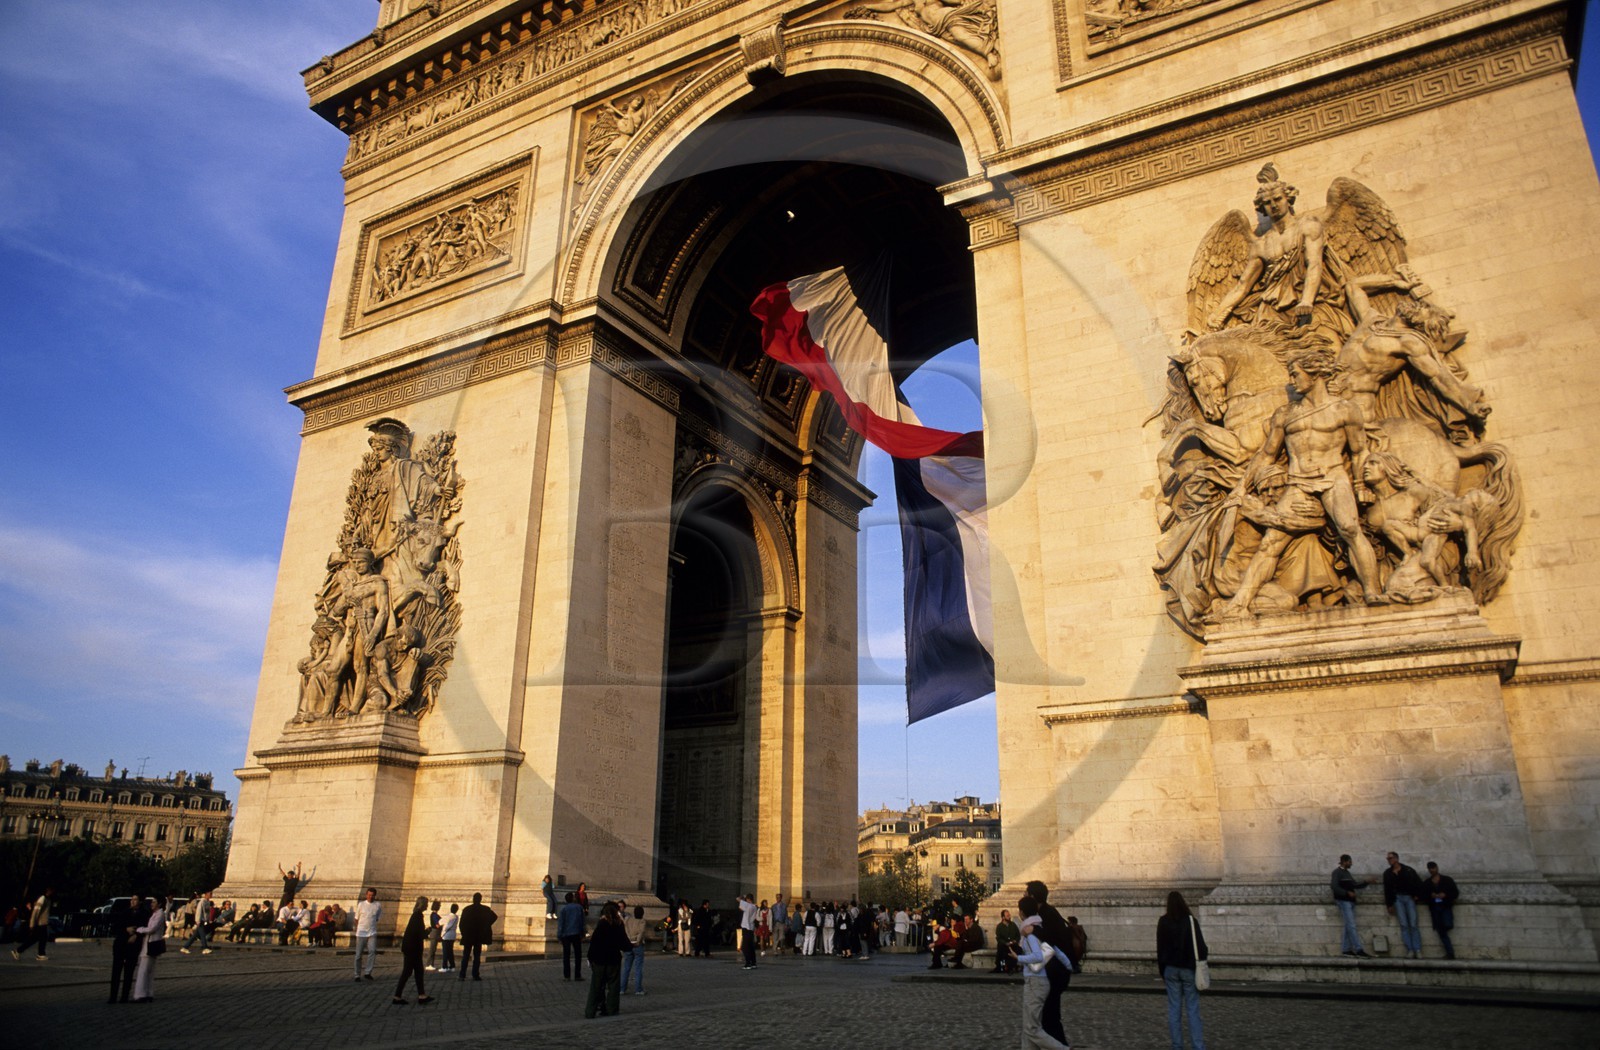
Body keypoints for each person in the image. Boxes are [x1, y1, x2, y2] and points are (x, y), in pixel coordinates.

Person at [1010, 897, 1072, 1050]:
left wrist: (1018, 958)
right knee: (1027, 1028)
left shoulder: (1030, 934)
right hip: (1037, 981)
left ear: (1022, 913)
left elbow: (1037, 956)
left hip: (1035, 982)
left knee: (1032, 1029)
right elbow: (1055, 950)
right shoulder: (1040, 929)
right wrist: (1068, 965)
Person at [1024, 880, 1075, 1047]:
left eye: (1026, 894)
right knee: (1046, 1017)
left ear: (1032, 896)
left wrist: (1034, 930)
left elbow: (1051, 940)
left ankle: (1061, 1046)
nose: (1023, 896)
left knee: (1049, 1017)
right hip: (1055, 972)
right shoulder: (1048, 912)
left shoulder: (1045, 915)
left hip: (1054, 973)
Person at [1155, 891, 1207, 1050]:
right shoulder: (1191, 921)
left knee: (1174, 1010)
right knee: (1193, 1011)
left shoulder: (1163, 921)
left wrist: (1162, 971)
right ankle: (1198, 1047)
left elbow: (1160, 948)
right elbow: (1201, 947)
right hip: (1189, 969)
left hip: (1170, 969)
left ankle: (1177, 1046)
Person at [584, 901, 632, 1019]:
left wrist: (590, 958)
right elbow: (624, 943)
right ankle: (612, 1009)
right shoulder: (619, 925)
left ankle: (590, 1012)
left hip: (599, 960)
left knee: (596, 987)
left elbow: (594, 943)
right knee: (613, 986)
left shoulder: (602, 924)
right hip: (613, 959)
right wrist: (630, 946)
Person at [389, 896, 433, 1005]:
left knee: (418, 972)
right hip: (412, 949)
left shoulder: (416, 915)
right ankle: (397, 996)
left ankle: (421, 995)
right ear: (422, 904)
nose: (428, 905)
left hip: (412, 948)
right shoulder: (417, 916)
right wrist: (427, 931)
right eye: (426, 903)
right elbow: (419, 934)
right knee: (407, 972)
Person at [1383, 851, 1425, 959]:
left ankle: (1417, 949)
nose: (1389, 860)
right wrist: (1389, 904)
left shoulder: (1408, 870)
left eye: (1390, 858)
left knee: (1413, 924)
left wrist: (1417, 895)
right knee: (1404, 925)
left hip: (1409, 897)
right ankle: (1410, 949)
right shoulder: (1387, 873)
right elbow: (1387, 890)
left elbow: (1418, 883)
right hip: (1397, 899)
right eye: (1388, 859)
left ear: (1396, 858)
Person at [107, 894, 147, 1004]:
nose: (133, 902)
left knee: (129, 972)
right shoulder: (124, 912)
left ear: (140, 902)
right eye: (132, 899)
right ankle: (113, 996)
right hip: (121, 944)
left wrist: (136, 935)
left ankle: (124, 995)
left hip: (133, 946)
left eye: (135, 900)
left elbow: (145, 928)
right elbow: (116, 926)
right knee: (116, 971)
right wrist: (126, 929)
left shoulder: (144, 914)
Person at [1330, 855, 1371, 956]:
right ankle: (1358, 949)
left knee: (1348, 925)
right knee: (1352, 925)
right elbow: (1334, 886)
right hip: (1344, 901)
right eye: (1349, 862)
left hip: (1350, 902)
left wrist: (1366, 882)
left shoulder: (1347, 873)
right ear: (1344, 862)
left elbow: (1354, 885)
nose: (1351, 864)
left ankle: (1346, 949)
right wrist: (1347, 893)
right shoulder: (1337, 872)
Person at [130, 894, 167, 1003]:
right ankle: (148, 993)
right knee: (148, 971)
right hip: (150, 944)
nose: (152, 904)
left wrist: (139, 929)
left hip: (151, 944)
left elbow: (152, 928)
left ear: (159, 904)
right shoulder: (155, 914)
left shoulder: (159, 914)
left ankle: (140, 994)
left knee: (143, 971)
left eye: (154, 902)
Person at [1423, 861, 1460, 959]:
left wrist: (1445, 895)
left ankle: (1450, 952)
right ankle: (1450, 953)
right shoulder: (1427, 883)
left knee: (1446, 925)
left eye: (1433, 868)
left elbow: (1455, 893)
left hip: (1445, 906)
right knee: (1441, 929)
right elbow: (1424, 896)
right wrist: (1431, 896)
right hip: (1435, 907)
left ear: (1437, 868)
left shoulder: (1447, 880)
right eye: (1430, 868)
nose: (1432, 870)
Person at [458, 891, 496, 981]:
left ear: (473, 899)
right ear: (480, 899)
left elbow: (461, 924)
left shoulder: (467, 909)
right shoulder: (485, 909)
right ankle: (475, 975)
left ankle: (462, 975)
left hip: (468, 936)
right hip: (479, 936)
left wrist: (464, 933)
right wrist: (487, 925)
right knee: (477, 956)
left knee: (466, 956)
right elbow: (494, 917)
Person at [11, 887, 53, 961]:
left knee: (35, 939)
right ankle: (40, 954)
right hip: (40, 923)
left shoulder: (47, 899)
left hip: (42, 922)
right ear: (48, 891)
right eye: (51, 890)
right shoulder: (42, 898)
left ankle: (19, 951)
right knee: (41, 938)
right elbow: (35, 912)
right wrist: (32, 924)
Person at [353, 888, 382, 980]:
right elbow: (356, 918)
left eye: (372, 895)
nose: (370, 897)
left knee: (372, 951)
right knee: (358, 955)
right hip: (361, 933)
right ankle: (357, 974)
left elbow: (377, 918)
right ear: (366, 895)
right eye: (369, 895)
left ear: (375, 896)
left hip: (372, 932)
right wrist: (358, 928)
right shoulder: (361, 904)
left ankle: (368, 972)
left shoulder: (378, 905)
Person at [558, 891, 586, 979]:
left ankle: (567, 976)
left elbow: (561, 924)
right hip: (576, 933)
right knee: (578, 955)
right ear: (573, 898)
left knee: (566, 955)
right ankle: (577, 975)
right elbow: (582, 922)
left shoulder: (563, 909)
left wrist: (559, 936)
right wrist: (583, 933)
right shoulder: (579, 907)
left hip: (565, 934)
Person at [179, 890, 217, 955]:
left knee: (195, 936)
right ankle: (205, 948)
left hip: (203, 920)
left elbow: (207, 913)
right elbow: (199, 911)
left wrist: (208, 920)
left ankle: (185, 947)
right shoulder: (202, 902)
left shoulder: (207, 902)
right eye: (210, 894)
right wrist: (198, 920)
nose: (211, 895)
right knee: (202, 935)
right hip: (200, 920)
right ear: (206, 894)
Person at [621, 903, 648, 994]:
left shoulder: (628, 920)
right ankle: (638, 989)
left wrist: (628, 939)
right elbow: (641, 932)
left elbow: (625, 930)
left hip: (628, 944)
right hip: (637, 945)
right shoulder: (642, 921)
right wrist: (637, 941)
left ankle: (622, 988)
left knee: (626, 968)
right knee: (638, 968)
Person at [993, 908, 1020, 974]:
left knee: (1018, 949)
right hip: (1004, 945)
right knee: (1002, 951)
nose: (1009, 917)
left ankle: (1013, 966)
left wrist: (1015, 941)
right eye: (1007, 916)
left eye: (1009, 915)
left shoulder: (1013, 925)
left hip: (1013, 945)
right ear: (1003, 917)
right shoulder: (999, 926)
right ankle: (1003, 966)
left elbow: (1018, 935)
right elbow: (999, 938)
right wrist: (1005, 943)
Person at [737, 893, 759, 969]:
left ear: (748, 899)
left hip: (746, 927)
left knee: (745, 947)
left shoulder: (747, 905)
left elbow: (737, 899)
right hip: (751, 927)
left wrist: (743, 896)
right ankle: (753, 963)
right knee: (751, 946)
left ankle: (748, 963)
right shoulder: (754, 907)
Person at [440, 902, 459, 972]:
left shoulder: (448, 917)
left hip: (446, 935)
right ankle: (452, 966)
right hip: (452, 935)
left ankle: (444, 966)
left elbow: (440, 922)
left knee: (445, 952)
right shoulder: (456, 917)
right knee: (450, 951)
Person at [424, 900, 442, 970]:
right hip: (435, 932)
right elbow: (437, 925)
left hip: (435, 932)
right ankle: (429, 964)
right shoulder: (434, 915)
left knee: (433, 949)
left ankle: (431, 964)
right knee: (432, 949)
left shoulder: (434, 915)